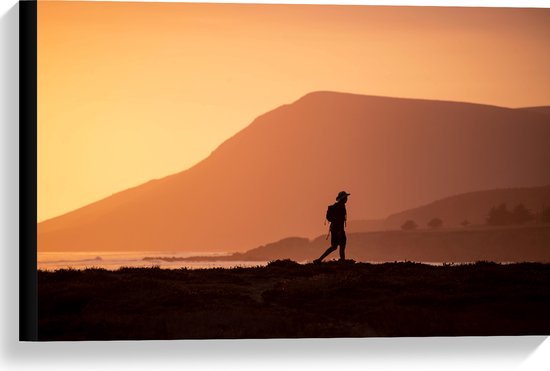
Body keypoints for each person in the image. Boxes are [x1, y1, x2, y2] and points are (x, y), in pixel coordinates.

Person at [314, 191, 350, 263]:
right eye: (346, 197)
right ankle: (342, 260)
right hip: (339, 229)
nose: (347, 199)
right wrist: (340, 231)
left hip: (333, 229)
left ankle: (319, 259)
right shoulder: (341, 207)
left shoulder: (334, 206)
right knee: (342, 245)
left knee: (334, 247)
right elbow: (340, 220)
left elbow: (335, 219)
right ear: (343, 199)